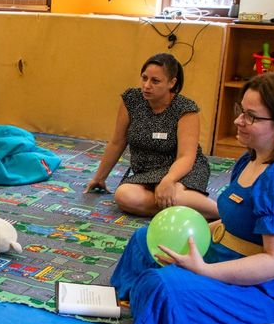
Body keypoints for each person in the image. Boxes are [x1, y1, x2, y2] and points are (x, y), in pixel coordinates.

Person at [109, 71, 274, 324]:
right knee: (145, 240)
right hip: (228, 259)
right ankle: (137, 303)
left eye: (251, 116)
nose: (238, 121)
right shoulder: (251, 158)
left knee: (164, 285)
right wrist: (191, 236)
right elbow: (235, 221)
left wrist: (204, 271)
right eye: (240, 111)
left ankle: (160, 307)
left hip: (265, 293)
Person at [85, 53, 215, 218]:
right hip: (146, 172)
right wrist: (99, 177)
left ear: (172, 83)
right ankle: (185, 208)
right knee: (123, 195)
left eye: (155, 81)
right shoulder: (131, 99)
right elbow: (117, 142)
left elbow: (186, 156)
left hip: (181, 169)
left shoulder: (186, 109)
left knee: (176, 194)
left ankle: (223, 215)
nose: (146, 85)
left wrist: (168, 181)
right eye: (144, 78)